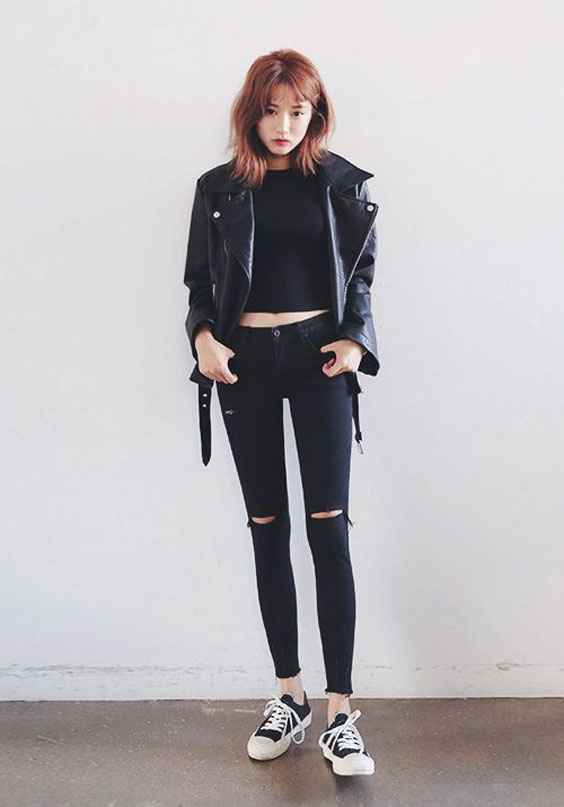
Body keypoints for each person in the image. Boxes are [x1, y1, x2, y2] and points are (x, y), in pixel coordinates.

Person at [183, 48, 380, 777]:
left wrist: (356, 340)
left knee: (329, 529)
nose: (284, 125)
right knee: (268, 528)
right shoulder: (218, 189)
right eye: (271, 110)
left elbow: (361, 277)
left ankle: (340, 712)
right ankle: (289, 695)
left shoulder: (341, 185)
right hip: (245, 366)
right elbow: (199, 284)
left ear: (315, 112)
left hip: (318, 358)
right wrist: (204, 338)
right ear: (251, 111)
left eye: (297, 111)